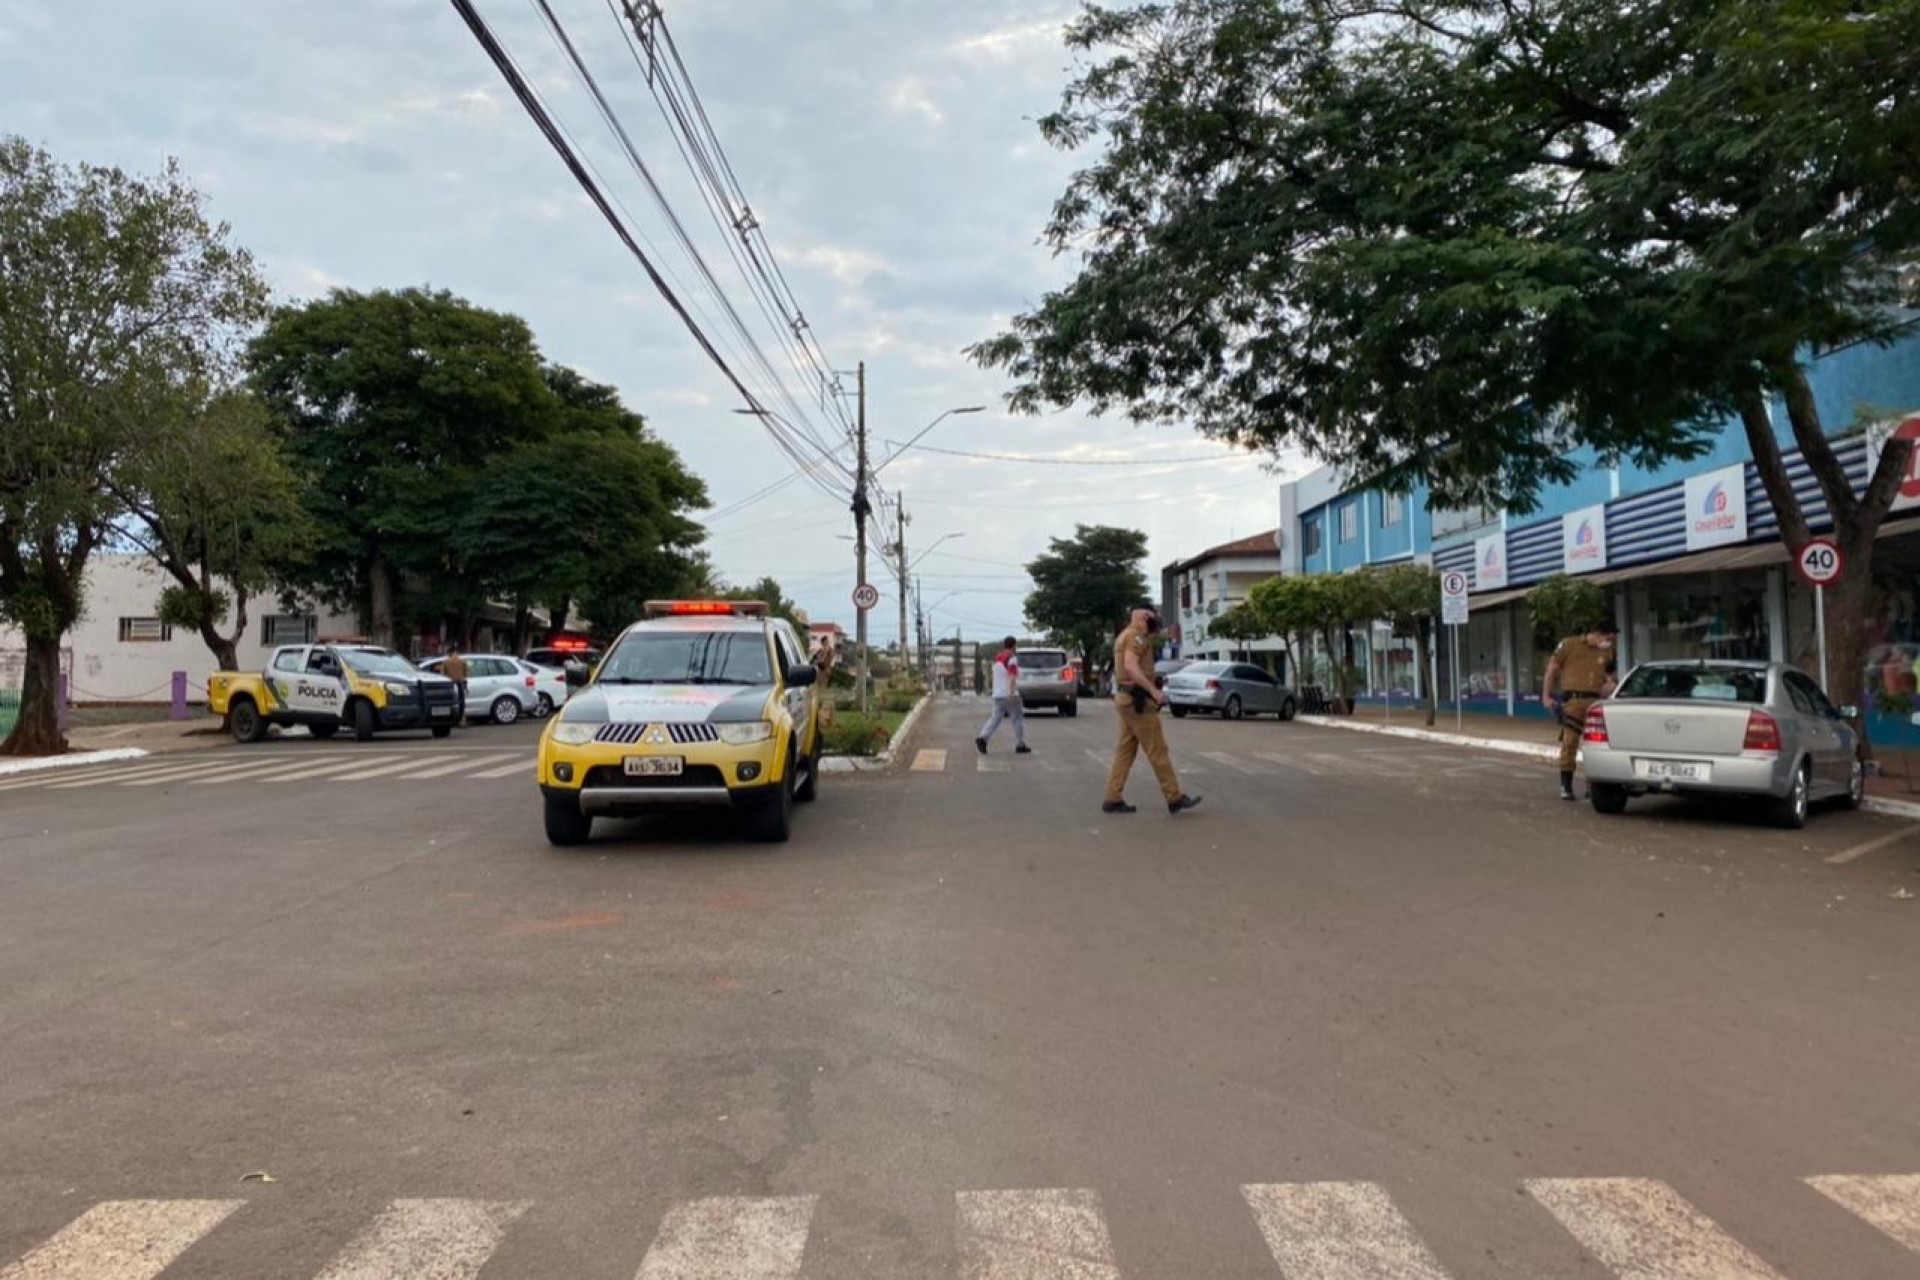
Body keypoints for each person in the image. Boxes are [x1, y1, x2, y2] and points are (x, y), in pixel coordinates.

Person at [1104, 605, 1201, 815]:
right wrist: (1153, 691)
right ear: (1143, 617)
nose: (1154, 622)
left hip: (1125, 698)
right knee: (1158, 749)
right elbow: (1131, 666)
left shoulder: (1124, 635)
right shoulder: (1136, 637)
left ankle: (1113, 797)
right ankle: (1174, 797)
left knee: (1126, 750)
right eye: (1152, 618)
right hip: (1137, 700)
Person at [1542, 618, 1620, 800]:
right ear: (1599, 634)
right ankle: (1566, 786)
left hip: (1596, 703)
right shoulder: (1569, 645)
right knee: (1569, 743)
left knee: (1596, 745)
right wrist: (1547, 696)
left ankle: (1592, 785)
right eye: (1608, 638)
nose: (1610, 642)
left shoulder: (1608, 651)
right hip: (1574, 702)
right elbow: (1551, 670)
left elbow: (1610, 674)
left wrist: (1611, 683)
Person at [976, 635, 1031, 755]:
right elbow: (1011, 676)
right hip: (1009, 694)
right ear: (1014, 646)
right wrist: (1011, 693)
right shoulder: (1012, 659)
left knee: (995, 718)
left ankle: (983, 738)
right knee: (1017, 719)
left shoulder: (997, 658)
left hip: (997, 694)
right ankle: (1020, 744)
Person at [441, 643, 470, 723]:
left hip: (450, 684)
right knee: (462, 701)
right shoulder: (462, 661)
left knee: (449, 701)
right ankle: (462, 718)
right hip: (460, 683)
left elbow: (442, 673)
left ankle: (450, 718)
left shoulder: (446, 661)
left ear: (450, 653)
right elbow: (467, 673)